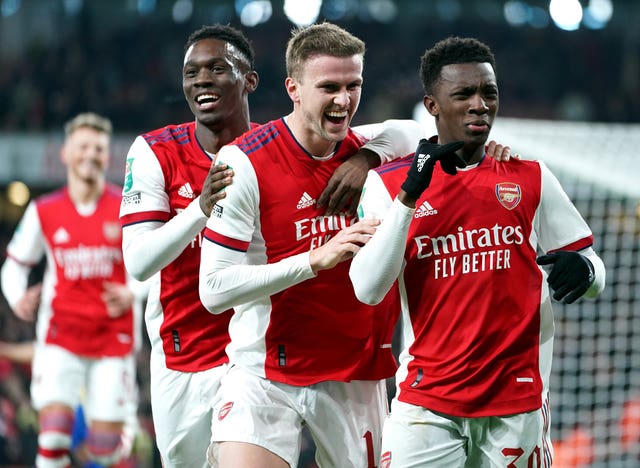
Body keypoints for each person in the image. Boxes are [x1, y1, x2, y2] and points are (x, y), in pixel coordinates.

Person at [119, 23, 425, 468]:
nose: (202, 79)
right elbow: (140, 262)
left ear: (250, 81)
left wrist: (369, 156)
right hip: (197, 351)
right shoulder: (162, 152)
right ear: (295, 89)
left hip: (305, 350)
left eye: (217, 69)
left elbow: (414, 133)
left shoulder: (301, 141)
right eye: (192, 72)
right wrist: (200, 209)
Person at [348, 36, 606, 467]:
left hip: (516, 401)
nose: (479, 104)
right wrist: (410, 195)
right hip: (426, 402)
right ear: (432, 105)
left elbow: (593, 270)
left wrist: (586, 270)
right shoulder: (389, 185)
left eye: (489, 92)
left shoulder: (530, 176)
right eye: (463, 94)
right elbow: (368, 290)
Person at [0, 112, 140, 468]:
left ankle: (116, 439)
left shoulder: (127, 208)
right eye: (83, 147)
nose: (90, 154)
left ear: (107, 156)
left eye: (98, 148)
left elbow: (153, 264)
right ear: (65, 153)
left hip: (113, 339)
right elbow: (14, 264)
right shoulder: (44, 210)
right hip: (60, 338)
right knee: (54, 437)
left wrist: (133, 291)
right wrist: (17, 297)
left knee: (106, 451)